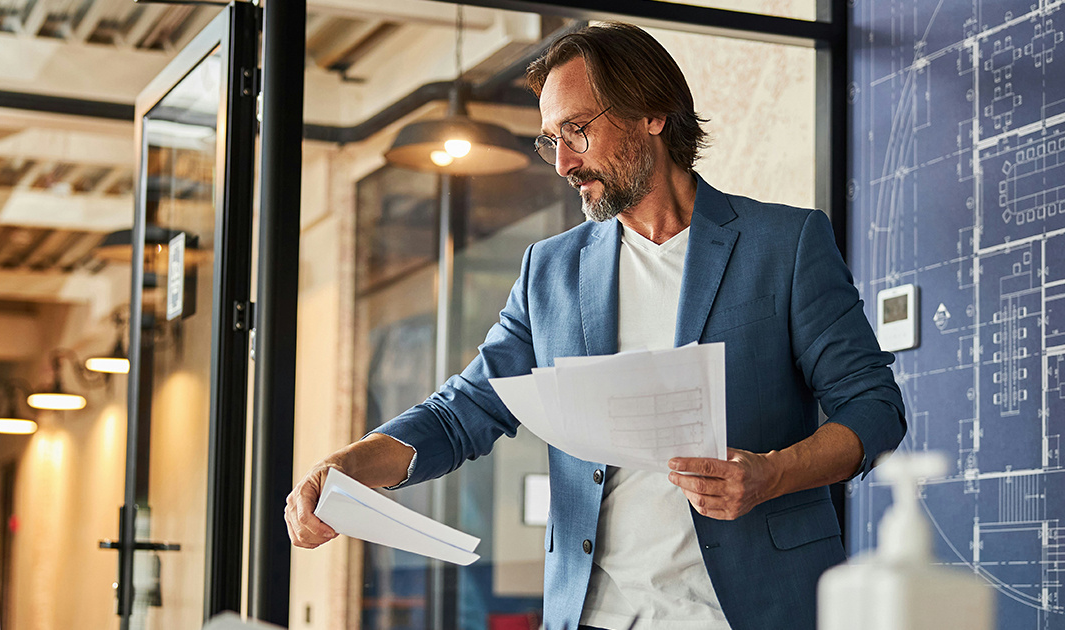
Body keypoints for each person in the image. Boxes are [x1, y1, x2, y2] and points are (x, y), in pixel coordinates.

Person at [285, 21, 905, 630]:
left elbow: (874, 407)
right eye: (550, 140)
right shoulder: (549, 271)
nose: (562, 163)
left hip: (752, 609)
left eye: (577, 131)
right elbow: (464, 411)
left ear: (652, 114)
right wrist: (344, 468)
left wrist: (772, 474)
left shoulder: (785, 244)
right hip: (596, 615)